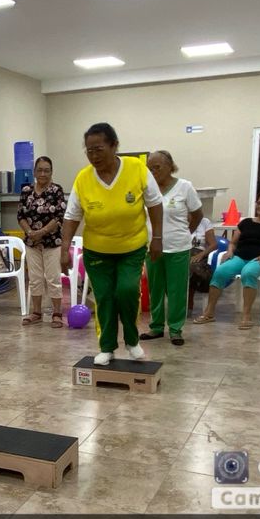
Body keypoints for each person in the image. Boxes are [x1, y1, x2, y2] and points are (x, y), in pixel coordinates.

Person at [58, 122, 163, 365]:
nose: (94, 156)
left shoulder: (137, 169)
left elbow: (155, 204)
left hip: (132, 247)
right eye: (89, 151)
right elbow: (72, 216)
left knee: (126, 291)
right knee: (104, 297)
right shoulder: (83, 178)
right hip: (97, 251)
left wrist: (157, 238)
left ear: (114, 146)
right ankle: (107, 347)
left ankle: (132, 341)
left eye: (99, 149)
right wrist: (64, 249)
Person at [193, 189, 260, 330]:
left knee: (248, 273)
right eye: (259, 203)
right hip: (240, 257)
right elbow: (233, 242)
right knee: (220, 272)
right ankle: (209, 312)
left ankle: (246, 315)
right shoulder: (246, 223)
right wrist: (230, 251)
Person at [140, 150, 203, 345]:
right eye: (149, 168)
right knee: (155, 289)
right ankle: (156, 327)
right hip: (153, 248)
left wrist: (185, 233)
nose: (153, 172)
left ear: (170, 166)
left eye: (157, 167)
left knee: (176, 290)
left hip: (178, 247)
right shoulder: (147, 189)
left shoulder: (185, 187)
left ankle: (175, 329)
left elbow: (198, 215)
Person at [17, 155, 67, 326]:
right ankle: (36, 312)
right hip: (31, 242)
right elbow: (21, 215)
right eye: (40, 170)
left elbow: (59, 216)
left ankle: (57, 313)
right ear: (34, 172)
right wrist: (30, 232)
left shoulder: (56, 190)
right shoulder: (26, 191)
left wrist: (42, 232)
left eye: (46, 170)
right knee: (35, 278)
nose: (43, 174)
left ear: (51, 172)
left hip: (52, 242)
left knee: (53, 278)